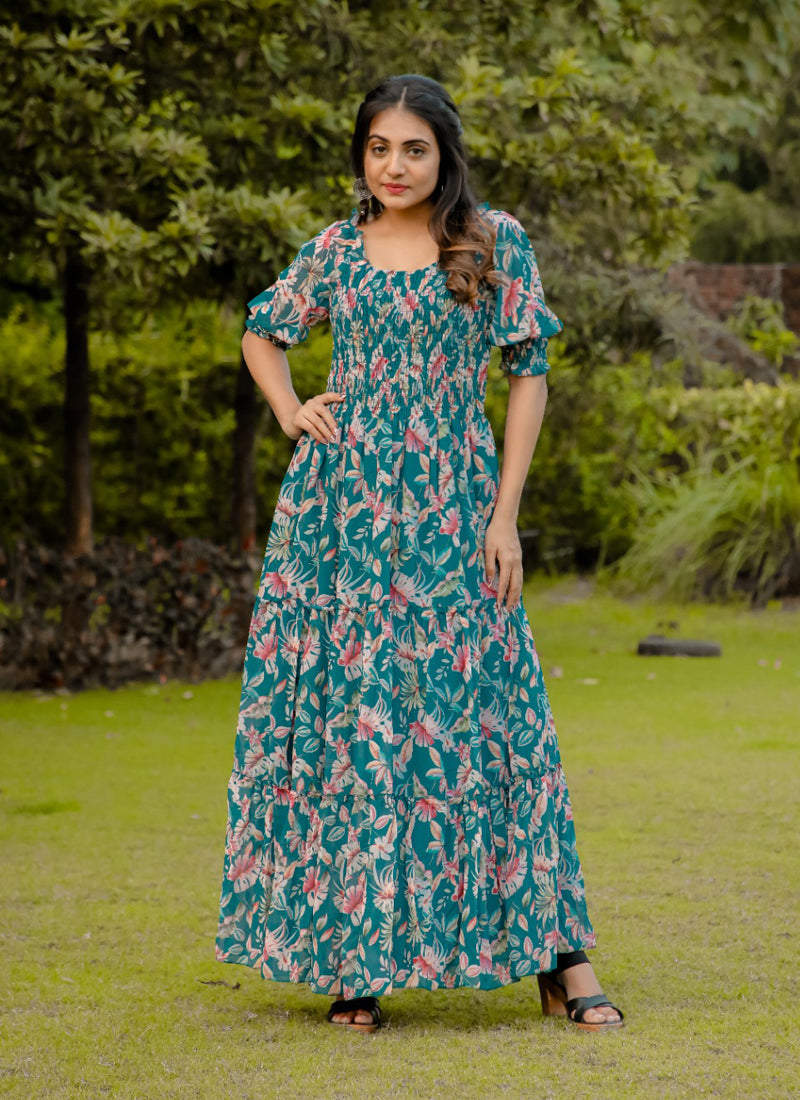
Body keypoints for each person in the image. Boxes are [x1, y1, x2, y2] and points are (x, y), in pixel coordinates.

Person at [216, 73, 624, 1034]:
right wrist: (291, 409)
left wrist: (504, 514)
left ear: (445, 155)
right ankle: (357, 957)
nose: (392, 166)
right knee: (357, 718)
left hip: (455, 508)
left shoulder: (492, 241)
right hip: (341, 517)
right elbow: (262, 333)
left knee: (490, 711)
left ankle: (559, 953)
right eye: (377, 148)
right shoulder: (335, 250)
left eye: (413, 149)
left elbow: (529, 373)